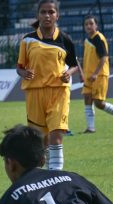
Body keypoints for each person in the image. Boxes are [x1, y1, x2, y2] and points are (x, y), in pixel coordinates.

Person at [16, 0, 79, 171]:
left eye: (51, 12)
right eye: (43, 12)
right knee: (40, 140)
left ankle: (55, 177)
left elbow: (74, 65)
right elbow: (19, 67)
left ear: (57, 15)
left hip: (58, 92)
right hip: (35, 93)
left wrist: (69, 73)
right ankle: (46, 174)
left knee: (56, 135)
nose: (47, 16)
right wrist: (24, 73)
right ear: (38, 15)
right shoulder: (28, 40)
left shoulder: (65, 39)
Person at [80, 15, 113, 133]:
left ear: (96, 25)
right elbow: (87, 58)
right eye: (86, 24)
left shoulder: (98, 38)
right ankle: (90, 128)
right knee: (87, 98)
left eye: (91, 23)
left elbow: (103, 57)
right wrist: (82, 72)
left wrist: (96, 73)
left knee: (99, 103)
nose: (88, 26)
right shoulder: (87, 40)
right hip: (88, 76)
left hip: (99, 75)